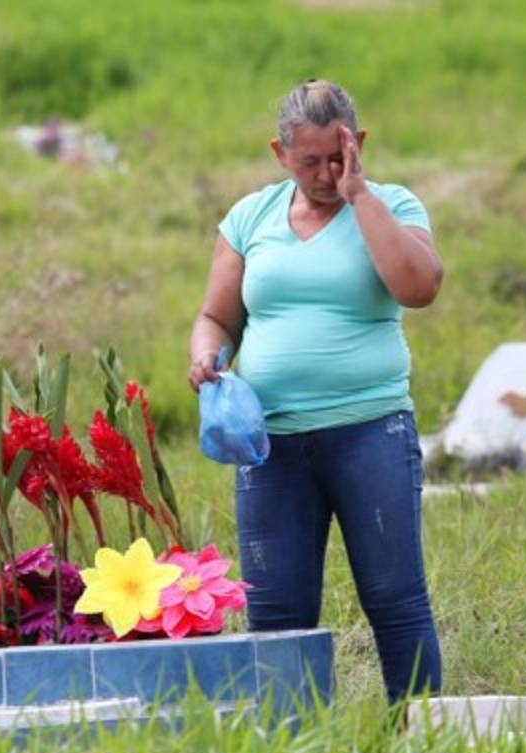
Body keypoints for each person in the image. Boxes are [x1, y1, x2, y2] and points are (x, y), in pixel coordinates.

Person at [187, 79, 444, 703]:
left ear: (359, 144)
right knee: (276, 612)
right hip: (271, 443)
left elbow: (419, 287)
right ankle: (293, 746)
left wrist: (360, 196)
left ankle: (421, 738)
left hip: (371, 431)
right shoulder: (250, 217)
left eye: (338, 157)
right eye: (310, 162)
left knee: (394, 596)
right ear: (280, 153)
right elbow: (217, 317)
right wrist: (206, 356)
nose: (327, 174)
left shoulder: (393, 204)